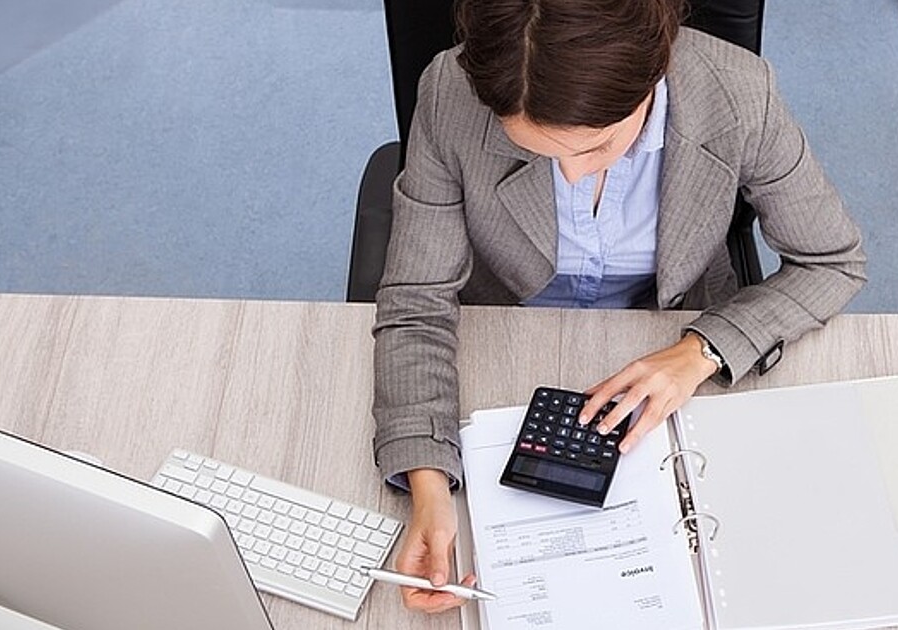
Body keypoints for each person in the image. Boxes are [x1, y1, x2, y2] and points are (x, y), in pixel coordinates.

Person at [371, 0, 866, 614]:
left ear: (650, 82)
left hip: (673, 331)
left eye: (599, 147)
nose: (573, 177)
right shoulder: (450, 91)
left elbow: (833, 260)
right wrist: (427, 482)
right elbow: (418, 300)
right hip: (504, 335)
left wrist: (702, 350)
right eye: (546, 154)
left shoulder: (738, 92)